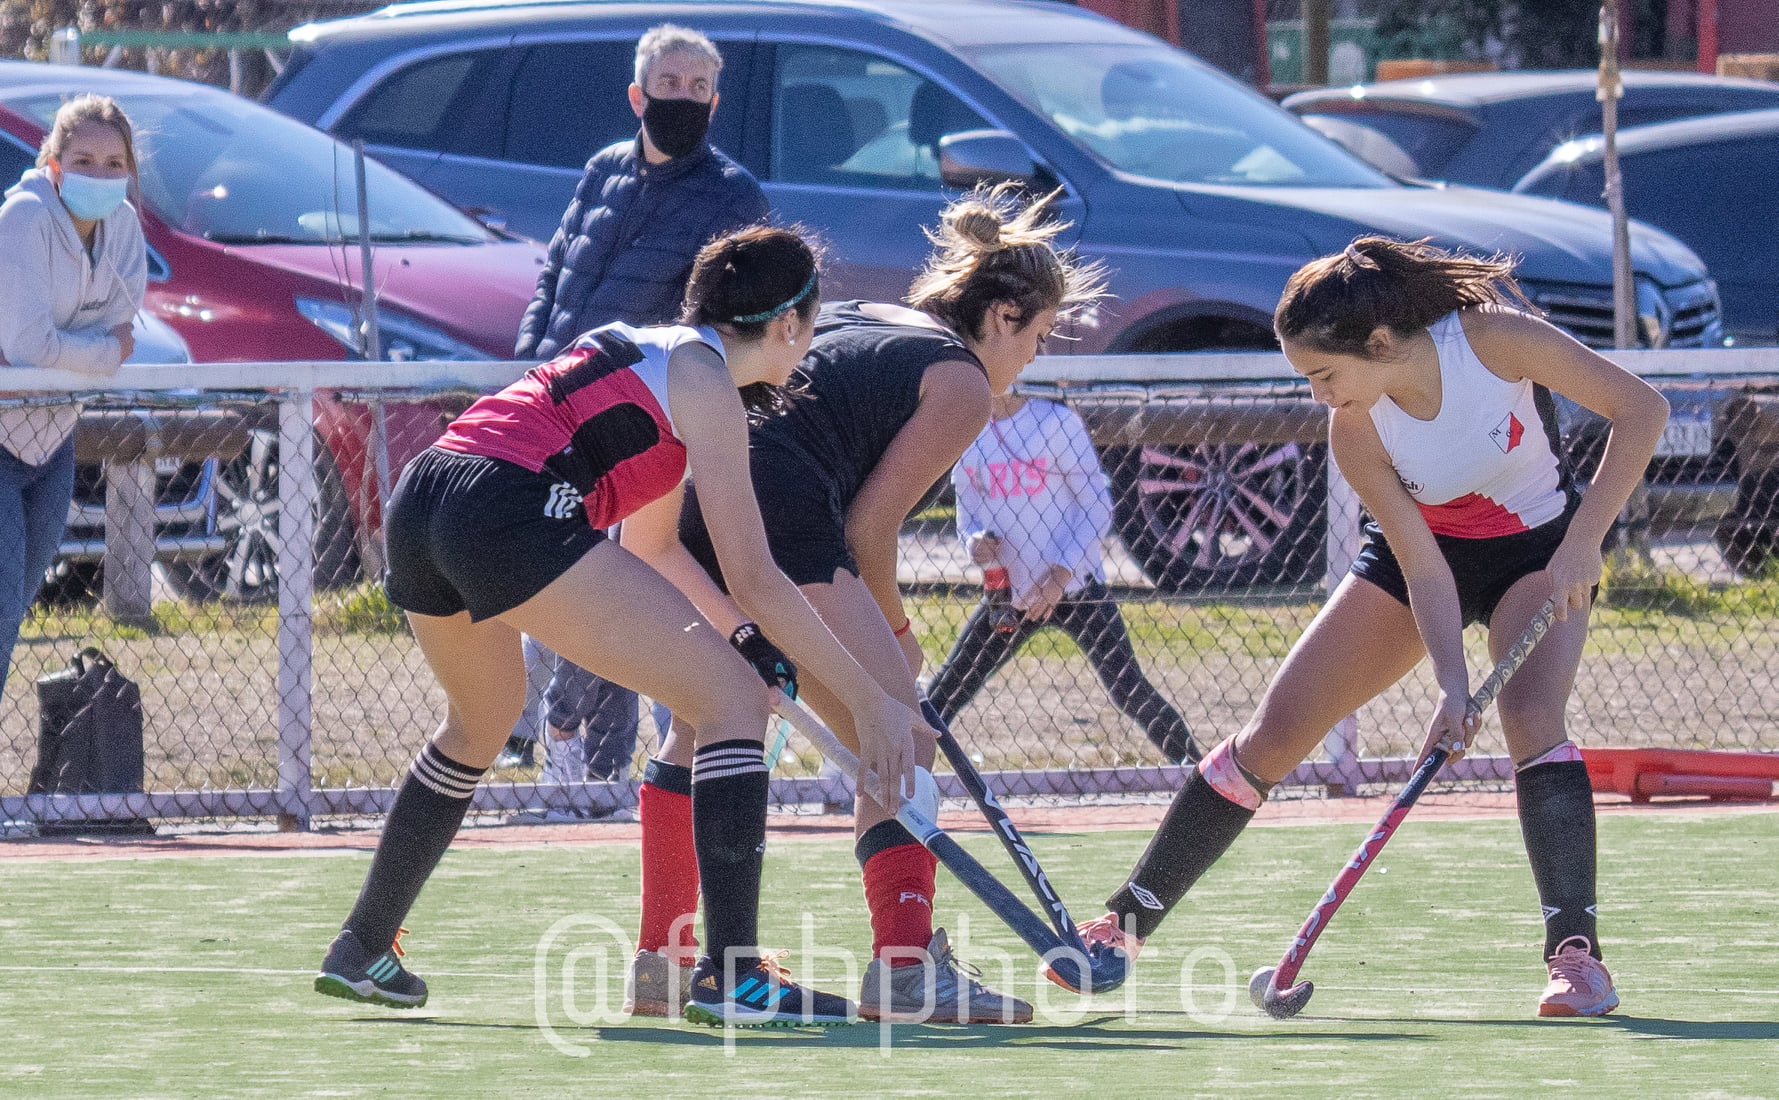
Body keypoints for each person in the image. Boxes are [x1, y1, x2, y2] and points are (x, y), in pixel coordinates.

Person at [315, 226, 927, 1028]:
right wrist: (871, 700)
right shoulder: (706, 386)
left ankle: (362, 946)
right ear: (788, 325)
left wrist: (744, 639)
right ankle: (734, 977)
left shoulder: (656, 358)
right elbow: (755, 575)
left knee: (481, 720)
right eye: (811, 326)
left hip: (429, 499)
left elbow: (655, 547)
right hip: (506, 507)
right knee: (732, 706)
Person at [1060, 237, 1668, 1018]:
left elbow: (1640, 408)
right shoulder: (1356, 429)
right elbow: (1422, 567)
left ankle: (1575, 961)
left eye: (1323, 375)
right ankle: (1124, 925)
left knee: (1531, 719)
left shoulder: (1494, 339)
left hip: (1540, 554)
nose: (1318, 396)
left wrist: (1584, 541)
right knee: (1274, 732)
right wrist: (1450, 685)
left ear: (1378, 344)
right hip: (1420, 560)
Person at [623, 184, 1106, 1023]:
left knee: (705, 723)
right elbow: (868, 525)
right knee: (900, 733)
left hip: (699, 494)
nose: (1032, 356)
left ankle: (663, 961)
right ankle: (908, 970)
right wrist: (894, 633)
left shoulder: (870, 317)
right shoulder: (959, 386)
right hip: (784, 517)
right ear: (999, 316)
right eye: (1035, 334)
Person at [503, 23, 771, 777]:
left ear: (714, 102)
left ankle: (576, 741)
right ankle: (587, 767)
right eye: (668, 85)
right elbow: (555, 274)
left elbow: (730, 311)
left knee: (620, 584)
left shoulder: (732, 195)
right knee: (565, 575)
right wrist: (531, 363)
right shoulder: (602, 170)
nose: (681, 99)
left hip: (642, 413)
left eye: (696, 88)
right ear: (637, 94)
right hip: (554, 405)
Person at [927, 393, 1200, 765]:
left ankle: (1201, 779)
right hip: (1009, 600)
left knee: (1129, 690)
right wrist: (973, 543)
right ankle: (904, 788)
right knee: (946, 691)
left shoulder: (1055, 423)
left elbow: (1097, 506)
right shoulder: (965, 428)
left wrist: (1059, 573)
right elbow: (967, 516)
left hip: (1076, 590)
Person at [0, 95, 145, 696]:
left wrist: (79, 347)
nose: (101, 174)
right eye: (83, 159)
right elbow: (29, 344)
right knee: (2, 607)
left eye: (115, 163)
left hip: (54, 441)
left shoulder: (126, 227)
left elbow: (127, 317)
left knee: (12, 616)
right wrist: (102, 352)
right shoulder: (23, 218)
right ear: (55, 164)